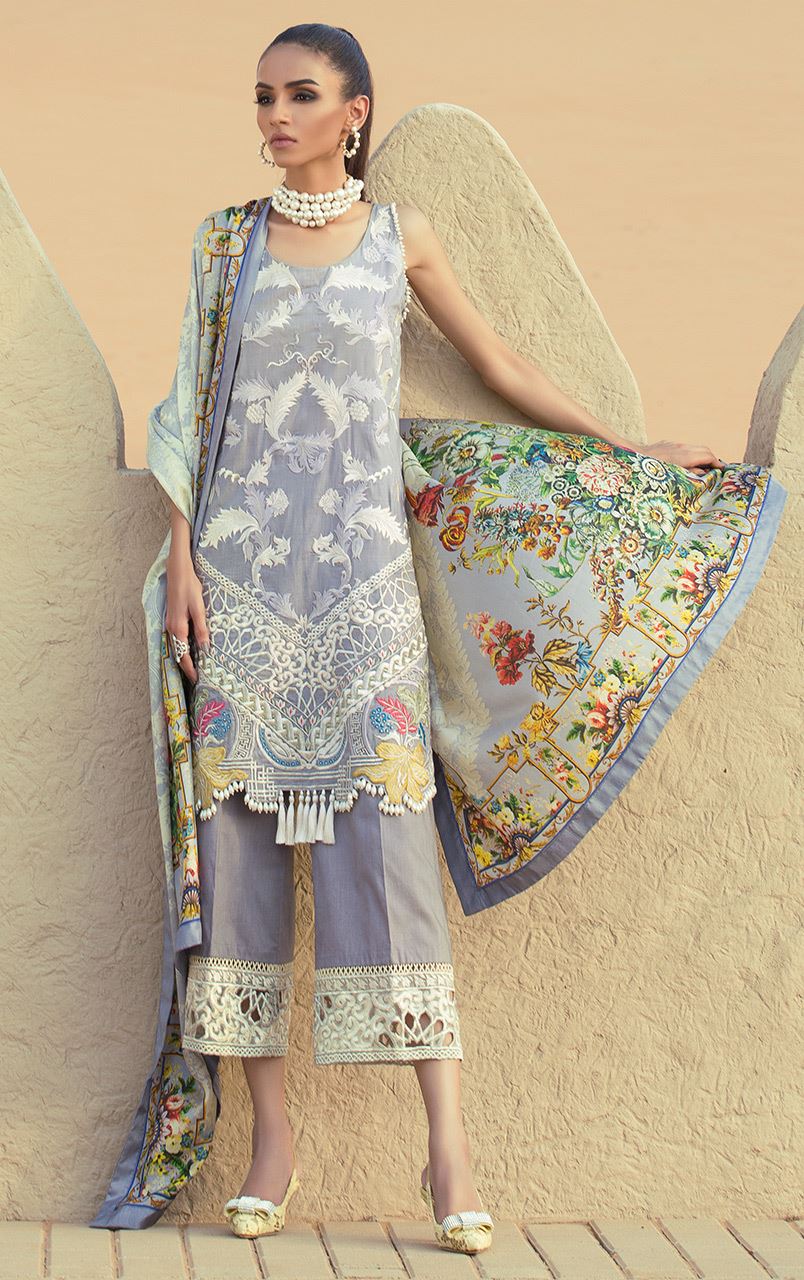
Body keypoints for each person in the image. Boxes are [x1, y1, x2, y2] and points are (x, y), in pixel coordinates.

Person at [159, 23, 723, 1254]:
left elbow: (497, 360)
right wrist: (183, 559)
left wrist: (623, 449)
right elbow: (189, 409)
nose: (275, 115)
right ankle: (272, 1140)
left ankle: (449, 1147)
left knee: (390, 846)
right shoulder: (224, 243)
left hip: (365, 589)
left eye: (300, 94)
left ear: (354, 110)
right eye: (262, 97)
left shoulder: (398, 236)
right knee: (239, 851)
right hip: (242, 587)